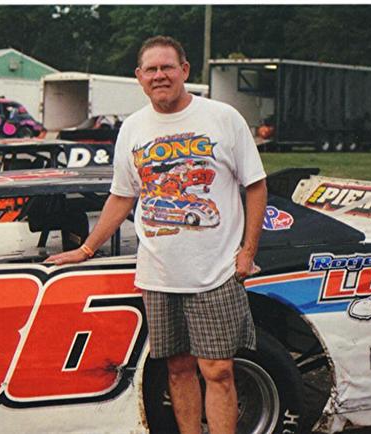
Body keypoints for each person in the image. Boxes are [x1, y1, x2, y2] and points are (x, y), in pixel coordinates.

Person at [47, 35, 267, 434]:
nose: (160, 75)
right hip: (159, 274)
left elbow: (255, 185)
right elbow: (122, 196)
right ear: (139, 77)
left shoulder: (223, 117)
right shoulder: (133, 128)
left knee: (218, 369)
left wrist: (247, 251)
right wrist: (87, 248)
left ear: (185, 70)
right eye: (151, 69)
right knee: (178, 368)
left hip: (216, 270)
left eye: (168, 67)